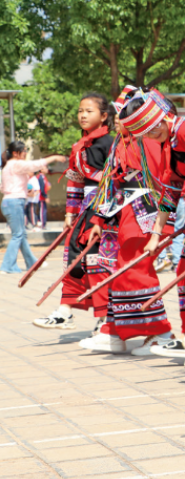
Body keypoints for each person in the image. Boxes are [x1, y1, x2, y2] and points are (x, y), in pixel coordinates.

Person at [117, 85, 185, 358]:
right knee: (184, 273)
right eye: (147, 133)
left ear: (163, 115)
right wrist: (155, 236)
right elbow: (170, 191)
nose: (153, 134)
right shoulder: (167, 144)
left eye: (154, 127)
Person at [80, 89, 175, 354]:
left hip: (146, 216)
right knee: (121, 272)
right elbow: (110, 184)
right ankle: (115, 331)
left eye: (126, 114)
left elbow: (164, 179)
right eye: (119, 113)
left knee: (135, 271)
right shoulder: (121, 144)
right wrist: (98, 218)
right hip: (126, 216)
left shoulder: (147, 142)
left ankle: (161, 332)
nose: (120, 120)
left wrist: (160, 223)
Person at [34, 93, 115, 330]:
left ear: (104, 116)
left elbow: (112, 182)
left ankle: (105, 319)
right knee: (72, 258)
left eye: (89, 111)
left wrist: (100, 215)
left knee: (97, 261)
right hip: (83, 212)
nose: (83, 115)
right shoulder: (80, 146)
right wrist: (70, 214)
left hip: (105, 211)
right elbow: (75, 181)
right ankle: (65, 310)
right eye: (80, 111)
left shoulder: (109, 144)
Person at [0, 142, 65, 274]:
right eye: (23, 150)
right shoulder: (15, 164)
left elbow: (4, 187)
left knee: (21, 234)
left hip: (10, 202)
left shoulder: (8, 167)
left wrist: (25, 192)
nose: (25, 152)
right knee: (18, 235)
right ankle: (7, 266)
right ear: (15, 153)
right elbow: (34, 165)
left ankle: (32, 263)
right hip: (14, 203)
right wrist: (53, 157)